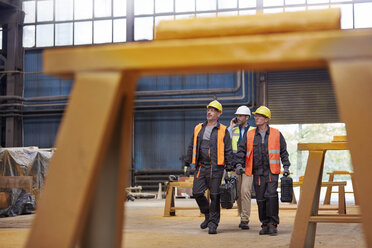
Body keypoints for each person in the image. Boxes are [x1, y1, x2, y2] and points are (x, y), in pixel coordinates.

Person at [235, 106, 290, 235]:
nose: (256, 118)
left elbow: (283, 152)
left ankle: (272, 223)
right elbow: (241, 150)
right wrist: (238, 164)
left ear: (266, 119)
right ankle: (264, 224)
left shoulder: (276, 133)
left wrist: (286, 166)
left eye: (259, 116)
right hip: (257, 171)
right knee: (260, 199)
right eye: (256, 116)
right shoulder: (250, 134)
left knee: (271, 196)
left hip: (271, 171)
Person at [184, 100, 233, 235]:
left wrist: (229, 169)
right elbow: (191, 146)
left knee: (215, 196)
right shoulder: (198, 128)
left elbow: (228, 150)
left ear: (219, 114)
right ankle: (207, 214)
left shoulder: (223, 130)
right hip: (201, 166)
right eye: (208, 110)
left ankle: (213, 223)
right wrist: (187, 163)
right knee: (197, 192)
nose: (209, 112)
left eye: (213, 110)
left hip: (216, 167)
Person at [228, 105, 254, 230]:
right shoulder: (233, 130)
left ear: (247, 117)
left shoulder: (253, 131)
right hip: (234, 166)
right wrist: (230, 127)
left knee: (245, 191)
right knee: (237, 193)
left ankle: (245, 219)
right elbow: (226, 142)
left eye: (241, 115)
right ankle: (241, 213)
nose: (238, 117)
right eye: (237, 115)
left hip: (248, 165)